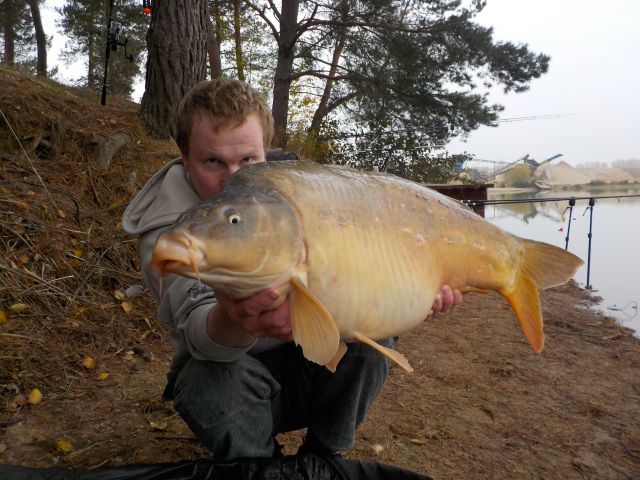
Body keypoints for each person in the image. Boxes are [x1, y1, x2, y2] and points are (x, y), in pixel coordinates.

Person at [122, 78, 462, 462]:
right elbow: (196, 330)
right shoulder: (175, 233)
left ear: (265, 154)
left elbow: (365, 269)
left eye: (247, 160)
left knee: (377, 341)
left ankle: (324, 453)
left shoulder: (298, 194)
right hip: (237, 380)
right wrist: (236, 317)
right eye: (213, 161)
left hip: (309, 365)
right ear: (185, 159)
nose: (232, 177)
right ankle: (260, 464)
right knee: (204, 382)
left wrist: (417, 292)